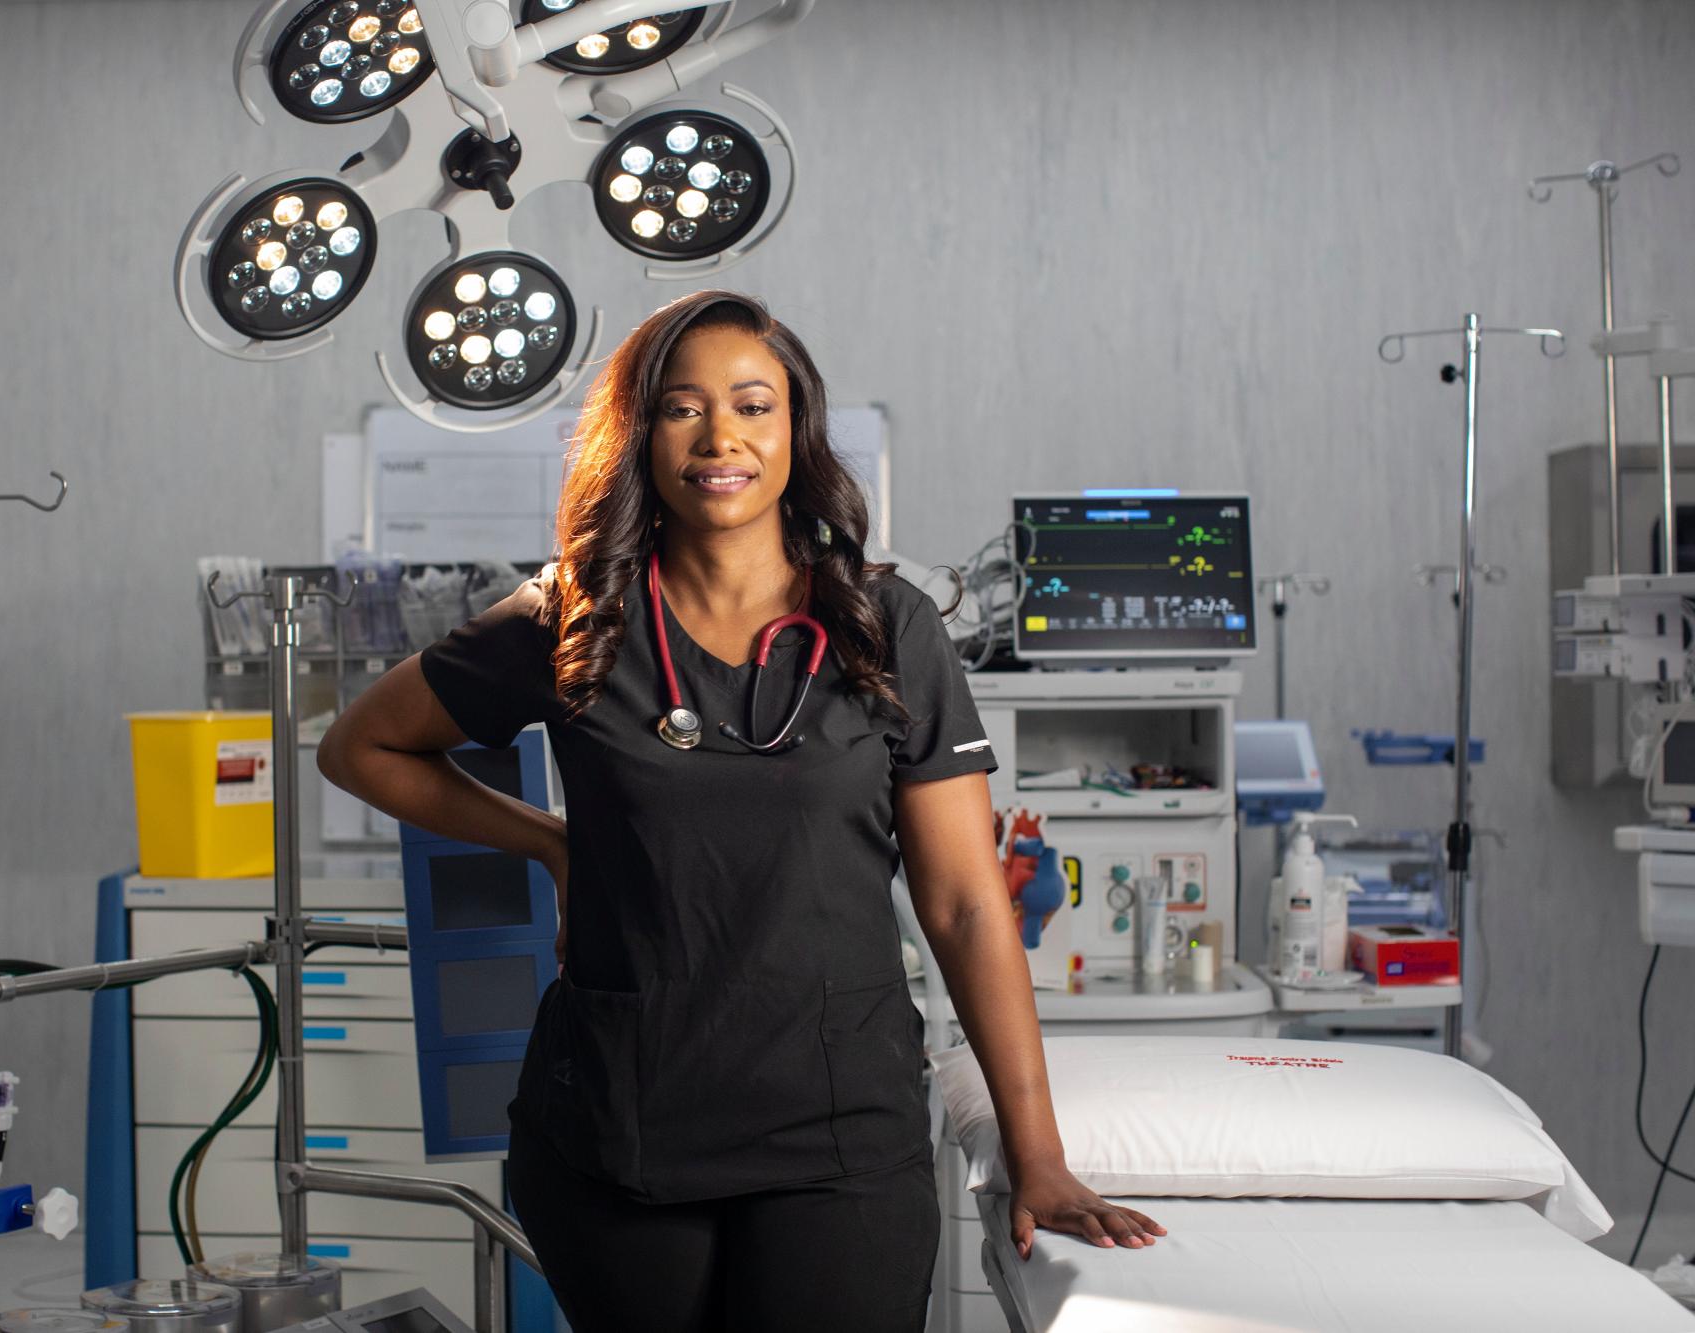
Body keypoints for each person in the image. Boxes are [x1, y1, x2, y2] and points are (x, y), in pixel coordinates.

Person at [318, 290, 1162, 1332]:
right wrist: (546, 841)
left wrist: (1039, 1159)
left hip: (836, 1137)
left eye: (752, 405)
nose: (719, 436)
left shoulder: (883, 627)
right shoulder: (570, 620)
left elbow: (965, 907)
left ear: (793, 433)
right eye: (681, 408)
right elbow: (360, 745)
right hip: (617, 1134)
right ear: (638, 435)